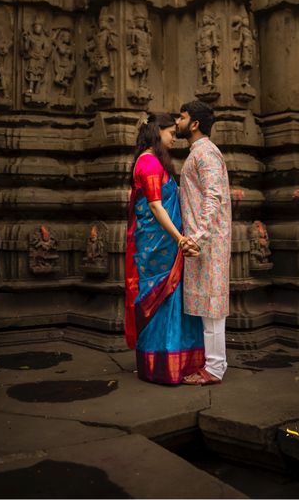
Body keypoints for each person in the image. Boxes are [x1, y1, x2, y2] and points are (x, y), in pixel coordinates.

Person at [125, 113, 205, 384]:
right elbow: (155, 206)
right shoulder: (148, 163)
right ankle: (162, 367)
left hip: (165, 243)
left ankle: (175, 362)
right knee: (164, 299)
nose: (174, 137)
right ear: (157, 132)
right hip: (158, 247)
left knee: (172, 298)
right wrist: (179, 238)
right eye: (170, 132)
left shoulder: (154, 162)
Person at [176, 100, 232, 385]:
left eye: (182, 117)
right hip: (203, 241)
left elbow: (214, 196)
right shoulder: (198, 153)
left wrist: (197, 237)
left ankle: (215, 368)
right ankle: (211, 364)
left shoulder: (206, 153)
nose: (177, 121)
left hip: (207, 241)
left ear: (194, 124)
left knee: (213, 308)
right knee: (208, 306)